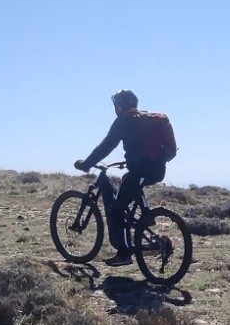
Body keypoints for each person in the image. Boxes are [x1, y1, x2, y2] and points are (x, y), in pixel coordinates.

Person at [74, 89, 175, 266]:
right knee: (130, 182)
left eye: (116, 105)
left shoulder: (124, 120)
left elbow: (106, 146)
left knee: (116, 210)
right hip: (158, 170)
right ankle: (146, 216)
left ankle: (124, 254)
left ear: (120, 106)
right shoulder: (147, 118)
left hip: (140, 171)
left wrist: (87, 164)